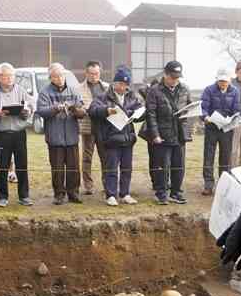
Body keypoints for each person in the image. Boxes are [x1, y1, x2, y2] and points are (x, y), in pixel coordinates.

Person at [88, 66, 143, 206]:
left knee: (127, 168)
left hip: (127, 138)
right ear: (114, 83)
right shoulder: (103, 97)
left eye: (125, 85)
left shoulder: (131, 96)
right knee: (111, 168)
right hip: (110, 139)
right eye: (119, 84)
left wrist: (137, 114)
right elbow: (92, 110)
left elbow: (140, 111)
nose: (122, 87)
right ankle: (111, 195)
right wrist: (107, 111)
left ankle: (125, 193)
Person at [0, 62, 34, 207]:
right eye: (6, 76)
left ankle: (24, 196)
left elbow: (30, 106)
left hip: (19, 133)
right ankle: (2, 197)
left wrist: (27, 111)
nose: (10, 78)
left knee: (22, 165)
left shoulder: (21, 90)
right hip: (2, 134)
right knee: (2, 166)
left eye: (12, 75)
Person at [144, 61, 192, 205]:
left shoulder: (184, 89)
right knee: (162, 165)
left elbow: (189, 107)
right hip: (162, 134)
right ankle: (161, 193)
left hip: (179, 134)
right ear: (165, 74)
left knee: (179, 165)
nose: (175, 80)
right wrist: (155, 135)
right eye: (172, 77)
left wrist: (189, 121)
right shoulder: (155, 91)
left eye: (177, 77)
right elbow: (150, 114)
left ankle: (176, 192)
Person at [36, 63, 85, 205]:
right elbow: (41, 111)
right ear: (50, 77)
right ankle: (59, 194)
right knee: (57, 168)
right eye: (56, 76)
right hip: (55, 137)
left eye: (62, 75)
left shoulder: (74, 90)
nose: (60, 78)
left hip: (71, 136)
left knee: (74, 168)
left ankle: (73, 193)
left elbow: (83, 112)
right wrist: (56, 108)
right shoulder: (45, 92)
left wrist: (75, 110)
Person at [200, 68, 241, 195]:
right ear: (217, 80)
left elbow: (237, 108)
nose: (223, 83)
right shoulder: (209, 90)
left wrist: (233, 119)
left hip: (226, 129)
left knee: (225, 157)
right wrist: (205, 117)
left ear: (229, 81)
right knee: (209, 156)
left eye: (225, 81)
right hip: (211, 127)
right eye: (221, 81)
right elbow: (203, 107)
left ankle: (223, 184)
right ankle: (208, 184)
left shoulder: (234, 91)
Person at [78, 60, 109, 195]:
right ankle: (88, 185)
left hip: (104, 127)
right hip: (88, 127)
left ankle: (107, 183)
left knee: (106, 157)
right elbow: (78, 106)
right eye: (91, 73)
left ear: (100, 72)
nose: (94, 76)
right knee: (87, 157)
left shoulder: (108, 88)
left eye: (96, 73)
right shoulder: (79, 89)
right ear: (86, 73)